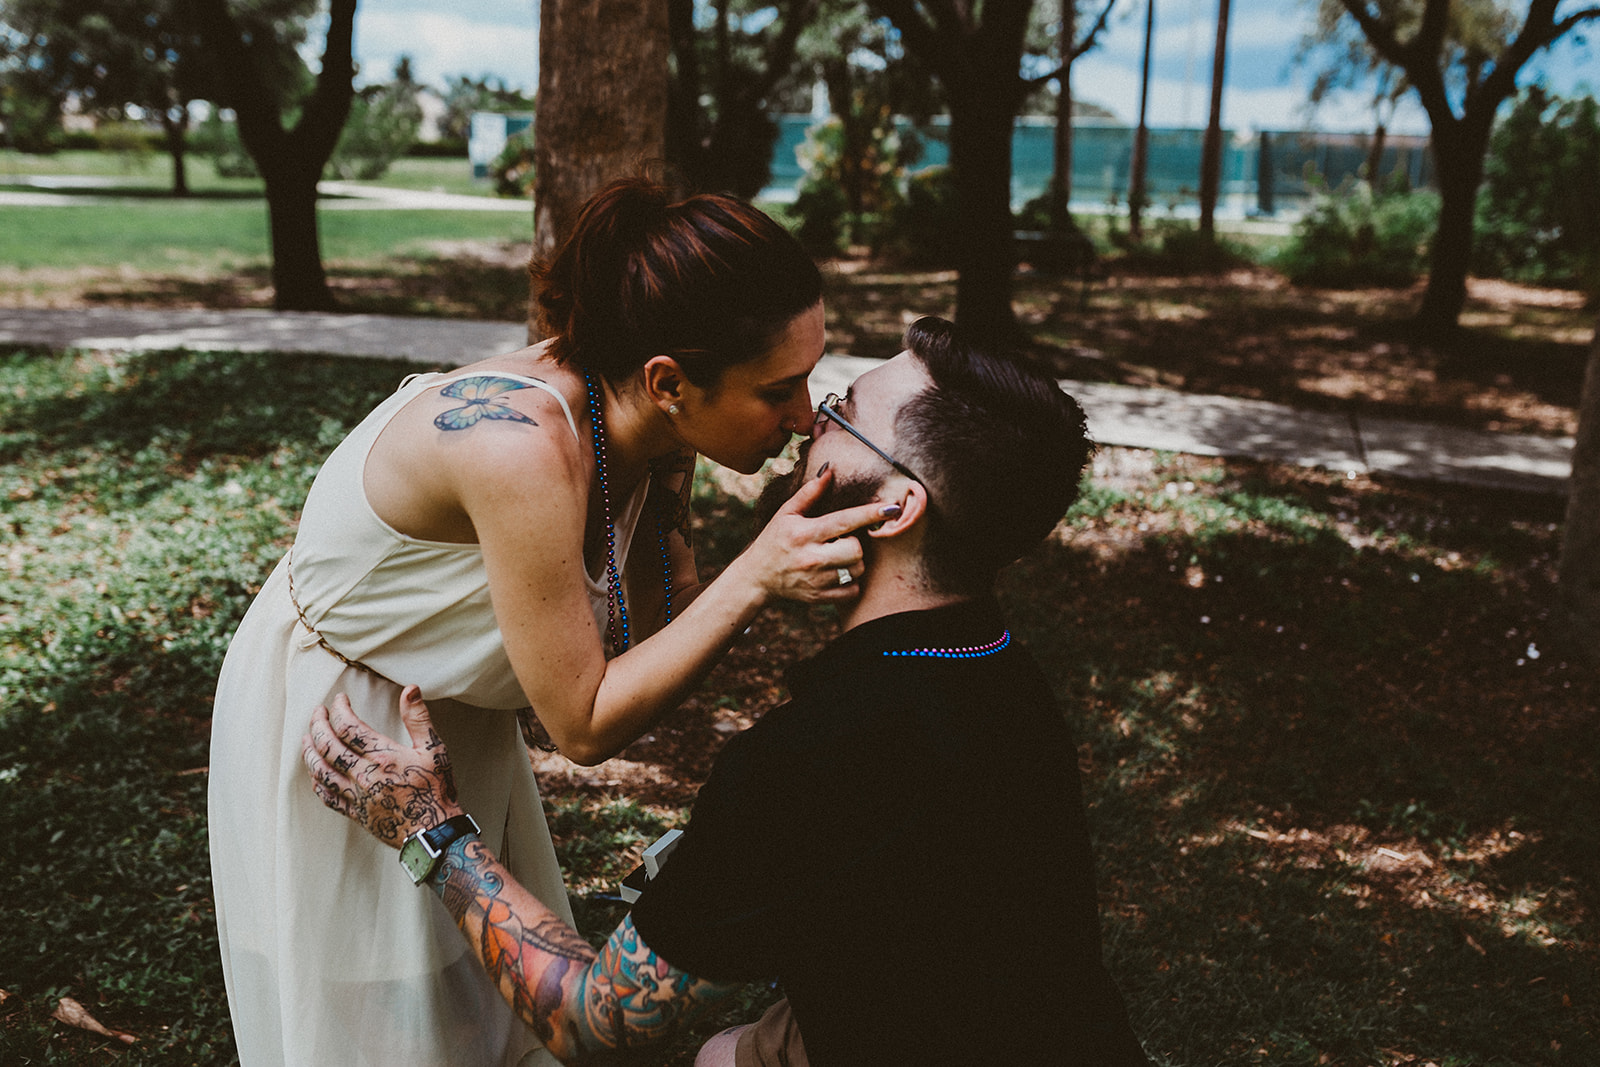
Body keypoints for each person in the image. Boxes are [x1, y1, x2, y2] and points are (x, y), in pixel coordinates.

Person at [302, 316, 1150, 1067]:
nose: (808, 420)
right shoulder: (1000, 671)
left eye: (842, 415)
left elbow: (593, 1023)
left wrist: (432, 832)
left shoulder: (816, 756)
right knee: (727, 1051)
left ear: (894, 509)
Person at [208, 176, 894, 1067]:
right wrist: (757, 573)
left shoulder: (642, 426)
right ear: (669, 380)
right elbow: (584, 722)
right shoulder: (521, 447)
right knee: (384, 1026)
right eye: (780, 389)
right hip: (352, 719)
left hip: (455, 712)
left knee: (483, 1019)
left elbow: (643, 650)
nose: (805, 418)